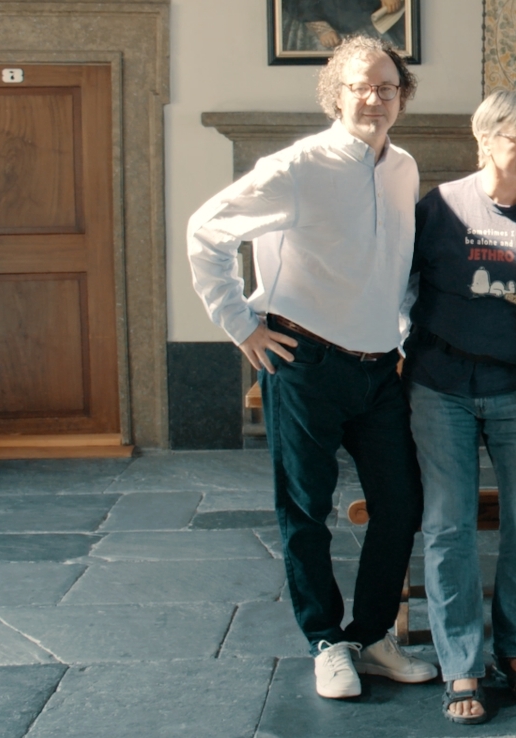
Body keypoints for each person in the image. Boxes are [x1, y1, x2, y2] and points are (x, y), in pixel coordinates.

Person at [185, 36, 437, 700]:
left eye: (387, 87)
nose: (374, 98)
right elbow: (206, 231)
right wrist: (240, 324)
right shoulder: (296, 166)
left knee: (401, 503)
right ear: (335, 92)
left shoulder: (405, 167)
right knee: (305, 509)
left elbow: (398, 262)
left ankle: (374, 635)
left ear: (401, 96)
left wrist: (403, 330)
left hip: (380, 369)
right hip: (305, 364)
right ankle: (326, 640)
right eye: (360, 85)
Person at [405, 90, 516, 724]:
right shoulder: (440, 207)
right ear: (484, 139)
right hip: (441, 384)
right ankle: (462, 663)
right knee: (449, 525)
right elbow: (400, 283)